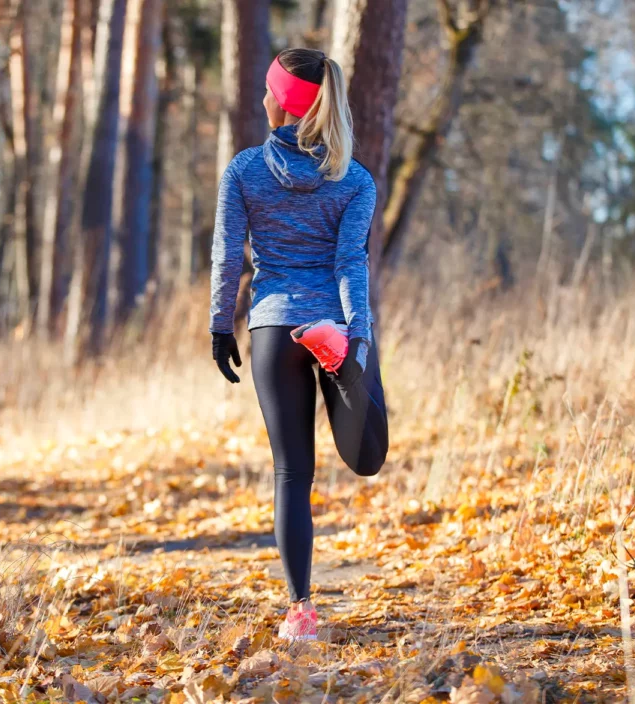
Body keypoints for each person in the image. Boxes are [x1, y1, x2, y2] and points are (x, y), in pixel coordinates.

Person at [209, 47, 389, 642]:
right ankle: (337, 357)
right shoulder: (354, 179)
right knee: (366, 458)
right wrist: (357, 339)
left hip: (271, 327)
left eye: (269, 90)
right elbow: (350, 264)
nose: (263, 98)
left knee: (292, 473)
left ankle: (301, 611)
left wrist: (220, 326)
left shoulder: (243, 170)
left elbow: (228, 256)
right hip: (331, 319)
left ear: (281, 103)